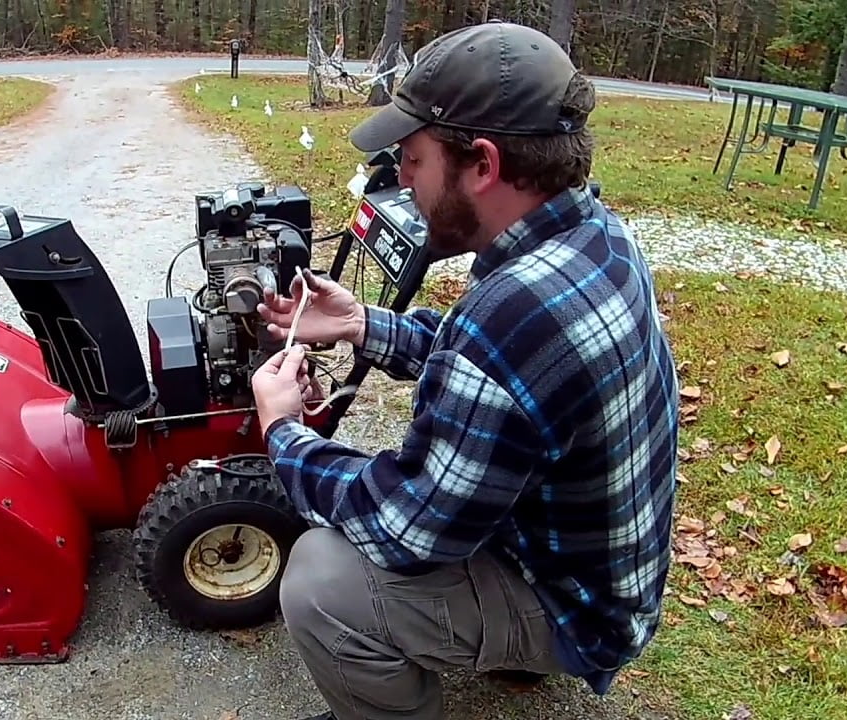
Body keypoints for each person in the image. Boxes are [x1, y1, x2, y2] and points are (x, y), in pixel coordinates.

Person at [248, 20, 680, 720]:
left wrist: (283, 431)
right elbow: (496, 372)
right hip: (599, 569)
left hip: (572, 604)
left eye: (411, 159)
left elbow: (405, 527)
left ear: (481, 164)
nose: (402, 181)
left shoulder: (512, 315)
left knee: (321, 581)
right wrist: (362, 323)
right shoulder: (593, 233)